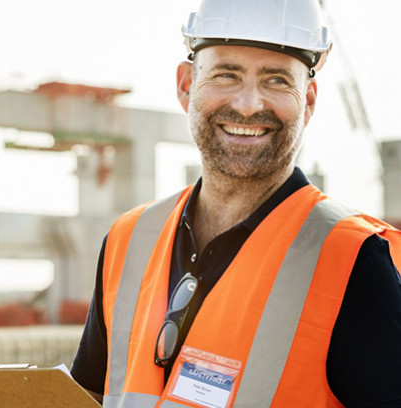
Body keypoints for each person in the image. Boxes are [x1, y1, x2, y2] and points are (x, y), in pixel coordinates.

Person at [70, 1, 401, 407]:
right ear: (186, 85)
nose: (248, 104)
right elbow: (90, 395)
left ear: (309, 101)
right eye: (226, 75)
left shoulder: (352, 259)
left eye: (277, 80)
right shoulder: (128, 240)